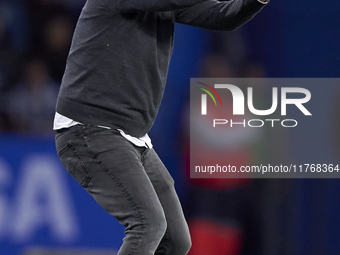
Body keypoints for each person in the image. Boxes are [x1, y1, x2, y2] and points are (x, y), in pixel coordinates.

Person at [54, 0, 270, 254]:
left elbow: (225, 16)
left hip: (131, 138)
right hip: (90, 130)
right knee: (149, 224)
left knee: (176, 241)